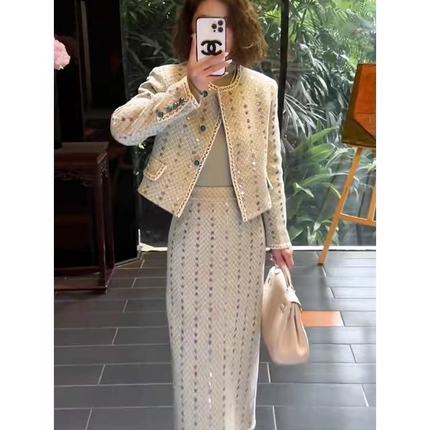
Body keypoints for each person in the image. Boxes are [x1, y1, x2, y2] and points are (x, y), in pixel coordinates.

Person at [111, 1, 294, 428]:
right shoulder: (168, 79)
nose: (216, 33)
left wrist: (279, 236)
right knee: (192, 347)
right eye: (205, 24)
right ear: (191, 31)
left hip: (245, 231)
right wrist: (189, 87)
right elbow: (123, 127)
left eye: (224, 25)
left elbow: (271, 168)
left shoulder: (262, 89)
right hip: (192, 227)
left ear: (239, 30)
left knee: (240, 349)